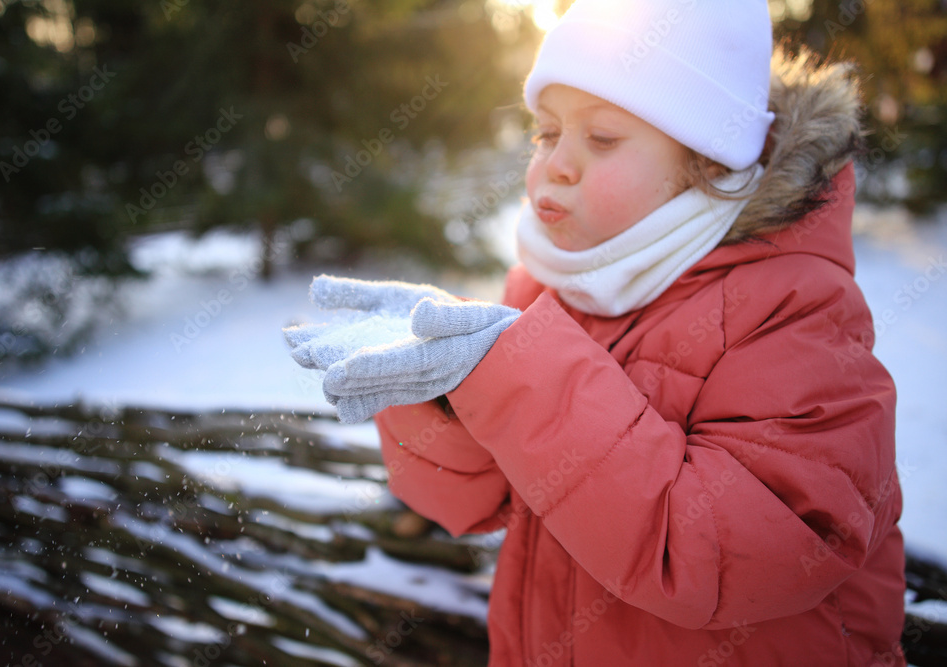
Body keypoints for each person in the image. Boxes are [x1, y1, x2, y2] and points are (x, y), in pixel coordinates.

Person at [285, 0, 906, 664]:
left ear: (707, 163)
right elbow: (472, 498)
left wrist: (524, 377)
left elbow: (747, 551)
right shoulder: (549, 288)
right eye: (545, 133)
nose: (557, 163)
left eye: (601, 138)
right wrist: (441, 384)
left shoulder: (794, 308)